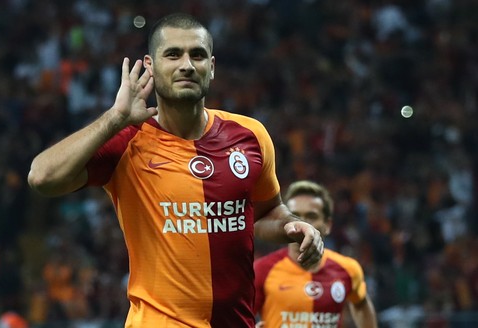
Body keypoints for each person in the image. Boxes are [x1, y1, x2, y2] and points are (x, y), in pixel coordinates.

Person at [28, 13, 323, 328]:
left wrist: (294, 226)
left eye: (197, 55)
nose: (187, 65)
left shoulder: (250, 135)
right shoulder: (127, 141)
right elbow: (42, 177)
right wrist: (115, 117)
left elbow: (265, 215)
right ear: (150, 66)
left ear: (211, 65)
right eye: (173, 54)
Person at [254, 180, 377, 328]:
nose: (302, 223)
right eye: (294, 215)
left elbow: (361, 305)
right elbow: (239, 317)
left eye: (311, 216)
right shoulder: (262, 270)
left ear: (327, 225)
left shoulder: (348, 269)